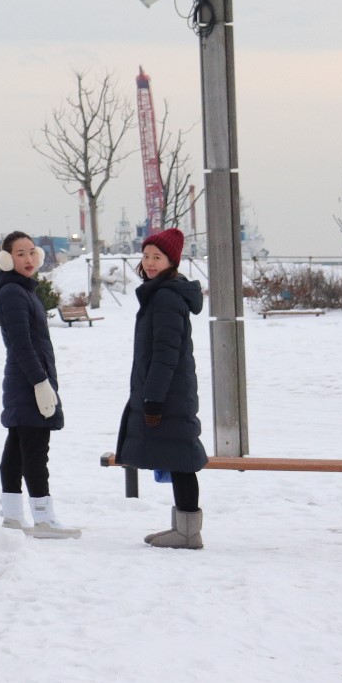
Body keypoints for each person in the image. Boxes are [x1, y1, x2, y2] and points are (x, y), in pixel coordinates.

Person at [116, 227, 208, 550]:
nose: (150, 262)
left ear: (172, 261)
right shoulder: (160, 293)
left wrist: (153, 399)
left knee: (181, 458)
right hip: (170, 391)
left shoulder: (167, 297)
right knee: (176, 455)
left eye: (158, 257)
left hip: (169, 394)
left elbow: (165, 354)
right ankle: (183, 529)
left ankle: (187, 532)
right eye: (146, 255)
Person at [0, 230, 80, 538]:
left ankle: (13, 516)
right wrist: (40, 383)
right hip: (28, 380)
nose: (29, 259)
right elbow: (21, 345)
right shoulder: (13, 293)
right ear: (5, 259)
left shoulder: (23, 290)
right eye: (20, 254)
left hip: (26, 379)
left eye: (32, 252)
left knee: (17, 448)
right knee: (34, 450)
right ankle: (44, 519)